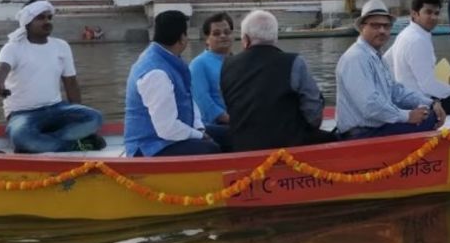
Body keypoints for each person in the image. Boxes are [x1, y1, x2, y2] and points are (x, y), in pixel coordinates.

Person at [0, 0, 104, 153]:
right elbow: (0, 69)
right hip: (22, 114)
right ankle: (75, 144)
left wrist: (76, 113)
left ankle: (43, 142)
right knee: (22, 137)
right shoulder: (12, 48)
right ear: (27, 22)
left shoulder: (61, 46)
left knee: (94, 118)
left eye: (49, 18)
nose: (47, 22)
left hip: (56, 108)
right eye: (40, 18)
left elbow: (71, 83)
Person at [221, 10, 334, 151]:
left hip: (243, 147)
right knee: (334, 137)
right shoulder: (294, 62)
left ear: (245, 39)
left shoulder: (227, 65)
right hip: (289, 149)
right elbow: (314, 116)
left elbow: (231, 106)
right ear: (275, 38)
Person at [335, 0, 445, 139]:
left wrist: (431, 102)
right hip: (362, 133)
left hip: (374, 126)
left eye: (386, 26)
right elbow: (370, 105)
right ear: (363, 27)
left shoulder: (376, 56)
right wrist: (407, 116)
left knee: (431, 113)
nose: (382, 31)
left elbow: (396, 91)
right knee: (429, 119)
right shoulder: (356, 58)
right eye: (376, 26)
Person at [124, 10, 229, 157]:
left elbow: (190, 103)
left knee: (230, 135)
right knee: (210, 149)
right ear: (182, 38)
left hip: (170, 134)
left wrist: (199, 130)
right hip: (150, 145)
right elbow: (167, 128)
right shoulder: (156, 72)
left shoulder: (167, 60)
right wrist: (200, 136)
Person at [384, 0, 450, 116]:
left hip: (408, 99)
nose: (434, 17)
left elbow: (385, 63)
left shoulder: (404, 34)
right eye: (428, 12)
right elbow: (428, 84)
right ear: (414, 14)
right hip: (423, 103)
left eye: (436, 13)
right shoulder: (417, 40)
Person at [190, 12, 234, 125]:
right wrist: (231, 120)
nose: (223, 36)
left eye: (227, 32)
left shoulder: (238, 61)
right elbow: (203, 100)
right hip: (215, 127)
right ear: (207, 38)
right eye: (216, 33)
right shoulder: (198, 64)